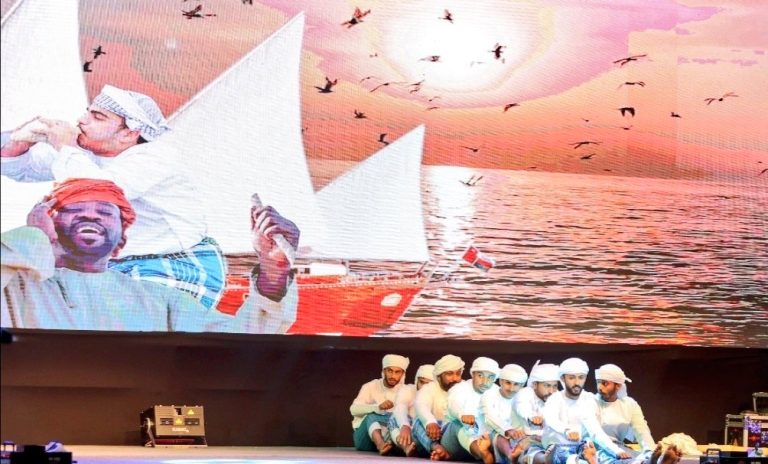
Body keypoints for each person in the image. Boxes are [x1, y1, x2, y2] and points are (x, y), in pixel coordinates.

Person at [1, 85, 227, 309]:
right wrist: (19, 143)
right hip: (113, 265)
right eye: (87, 112)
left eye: (97, 117)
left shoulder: (155, 157)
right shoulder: (87, 153)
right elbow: (23, 169)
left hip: (170, 262)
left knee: (136, 322)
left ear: (129, 133)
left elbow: (98, 192)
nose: (81, 120)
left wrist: (65, 145)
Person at [0, 178, 298, 332]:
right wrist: (33, 236)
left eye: (105, 212)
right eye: (74, 209)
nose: (90, 216)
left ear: (121, 240)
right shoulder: (14, 288)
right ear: (46, 224)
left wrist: (274, 271)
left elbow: (240, 343)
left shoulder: (159, 300)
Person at [542, 358, 628, 464]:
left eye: (581, 377)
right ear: (562, 379)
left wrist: (616, 450)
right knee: (562, 455)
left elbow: (595, 429)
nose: (577, 382)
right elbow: (551, 420)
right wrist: (566, 430)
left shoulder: (589, 399)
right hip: (559, 446)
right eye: (571, 378)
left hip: (583, 447)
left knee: (607, 455)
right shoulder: (555, 399)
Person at [593, 364, 655, 464]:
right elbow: (595, 433)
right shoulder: (591, 402)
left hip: (620, 448)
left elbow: (641, 430)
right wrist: (615, 450)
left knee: (642, 458)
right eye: (598, 382)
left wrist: (650, 451)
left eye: (605, 383)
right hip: (596, 449)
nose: (600, 387)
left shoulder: (629, 404)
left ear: (618, 386)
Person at [349, 354, 410, 455]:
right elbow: (353, 410)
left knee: (398, 419)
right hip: (366, 439)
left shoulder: (406, 391)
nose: (393, 376)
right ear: (384, 371)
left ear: (403, 374)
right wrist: (377, 407)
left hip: (391, 437)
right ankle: (381, 445)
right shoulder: (370, 386)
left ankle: (400, 447)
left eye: (397, 372)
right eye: (390, 371)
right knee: (372, 416)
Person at [445, 356, 500, 463]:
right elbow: (453, 404)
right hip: (455, 444)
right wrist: (462, 415)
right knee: (457, 424)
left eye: (490, 377)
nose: (485, 382)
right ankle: (482, 453)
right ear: (472, 374)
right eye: (480, 375)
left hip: (484, 439)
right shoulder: (460, 388)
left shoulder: (497, 392)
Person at [412, 354, 465, 461]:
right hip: (428, 436)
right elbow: (421, 404)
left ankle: (441, 453)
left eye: (458, 374)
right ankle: (436, 448)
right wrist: (430, 422)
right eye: (449, 374)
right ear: (439, 376)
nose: (455, 378)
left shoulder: (465, 388)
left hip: (449, 435)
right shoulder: (429, 388)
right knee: (418, 421)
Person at [514, 362, 561, 464]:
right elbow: (522, 408)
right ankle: (545, 459)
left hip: (548, 440)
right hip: (524, 439)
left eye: (555, 386)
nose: (551, 391)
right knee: (532, 449)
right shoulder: (524, 393)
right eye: (547, 386)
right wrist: (532, 416)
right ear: (535, 385)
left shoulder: (556, 396)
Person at [481, 363, 529, 464]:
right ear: (500, 381)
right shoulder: (489, 395)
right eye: (508, 383)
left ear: (522, 385)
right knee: (499, 436)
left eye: (516, 384)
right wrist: (507, 430)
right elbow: (490, 417)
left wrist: (521, 431)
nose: (511, 388)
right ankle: (511, 456)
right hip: (491, 435)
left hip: (518, 436)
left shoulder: (524, 398)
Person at [387, 363, 434, 457]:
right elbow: (400, 407)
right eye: (422, 382)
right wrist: (405, 425)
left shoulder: (438, 395)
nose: (424, 387)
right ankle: (406, 448)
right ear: (416, 380)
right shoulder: (407, 390)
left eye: (428, 384)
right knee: (394, 417)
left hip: (428, 435)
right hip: (407, 435)